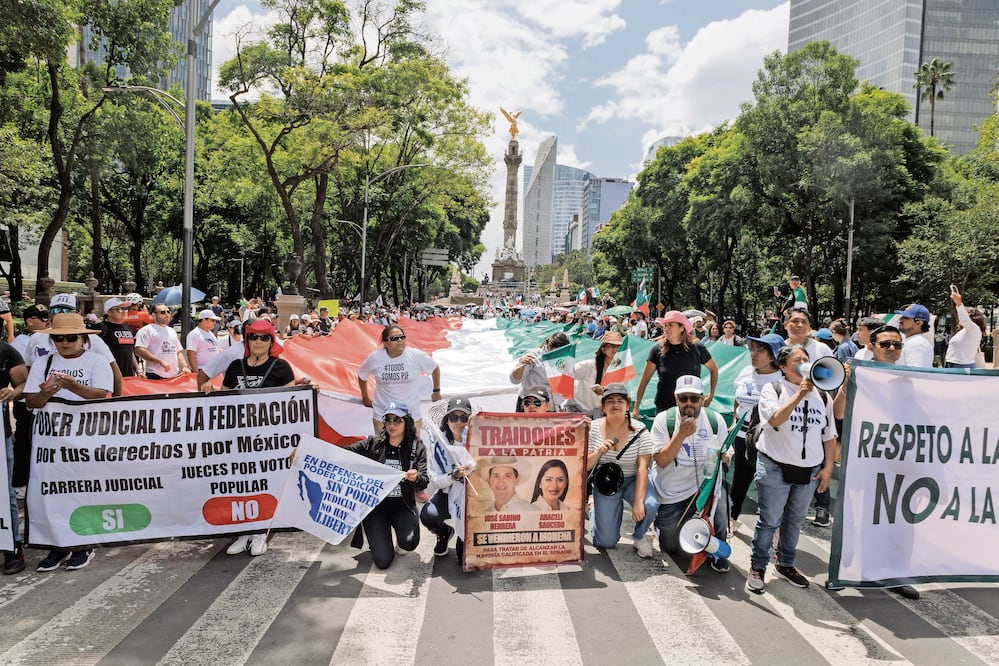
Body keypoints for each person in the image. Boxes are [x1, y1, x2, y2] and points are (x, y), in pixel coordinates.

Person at [24, 314, 114, 572]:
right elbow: (31, 401)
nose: (64, 343)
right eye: (58, 338)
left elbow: (101, 394)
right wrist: (45, 393)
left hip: (87, 437)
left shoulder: (96, 361)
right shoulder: (43, 362)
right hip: (51, 441)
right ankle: (57, 545)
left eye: (71, 337)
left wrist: (74, 387)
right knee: (54, 491)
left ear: (83, 339)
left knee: (84, 487)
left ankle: (83, 543)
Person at [745, 344, 837, 595]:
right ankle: (758, 567)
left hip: (809, 471)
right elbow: (774, 420)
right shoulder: (773, 389)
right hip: (775, 465)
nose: (803, 363)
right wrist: (799, 395)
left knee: (795, 521)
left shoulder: (823, 396)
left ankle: (785, 564)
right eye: (796, 360)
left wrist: (828, 467)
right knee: (770, 520)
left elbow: (829, 435)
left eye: (805, 359)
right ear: (783, 367)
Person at [221, 319, 295, 556]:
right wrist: (209, 394)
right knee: (241, 483)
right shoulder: (234, 367)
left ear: (272, 341)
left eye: (265, 337)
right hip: (238, 439)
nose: (259, 342)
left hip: (267, 441)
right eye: (254, 337)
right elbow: (221, 402)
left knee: (264, 484)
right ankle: (244, 531)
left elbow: (291, 405)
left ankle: (261, 532)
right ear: (247, 340)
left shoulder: (281, 368)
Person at [650, 375, 730, 572]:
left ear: (702, 399)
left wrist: (725, 456)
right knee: (671, 548)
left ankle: (717, 549)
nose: (689, 404)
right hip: (672, 495)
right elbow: (661, 460)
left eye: (694, 399)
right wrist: (681, 434)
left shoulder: (714, 420)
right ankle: (665, 527)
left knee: (721, 503)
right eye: (684, 398)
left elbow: (726, 453)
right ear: (676, 399)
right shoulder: (664, 420)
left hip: (703, 491)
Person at [348, 403, 429, 569]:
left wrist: (415, 478)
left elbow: (424, 480)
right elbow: (342, 453)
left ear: (406, 422)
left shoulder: (416, 446)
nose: (391, 425)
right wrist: (307, 451)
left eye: (397, 420)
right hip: (376, 508)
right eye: (388, 420)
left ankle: (397, 540)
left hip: (402, 506)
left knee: (409, 543)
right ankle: (379, 541)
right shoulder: (374, 443)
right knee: (383, 562)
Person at [587, 382, 657, 558]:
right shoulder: (593, 427)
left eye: (620, 400)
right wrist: (598, 452)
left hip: (633, 478)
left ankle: (639, 537)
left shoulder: (640, 429)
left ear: (627, 404)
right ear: (603, 406)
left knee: (649, 504)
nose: (615, 404)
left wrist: (638, 501)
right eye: (610, 401)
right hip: (606, 483)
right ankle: (594, 507)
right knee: (605, 542)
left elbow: (643, 468)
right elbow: (586, 465)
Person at [729, 333, 785, 534]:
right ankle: (732, 517)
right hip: (742, 437)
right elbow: (737, 397)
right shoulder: (745, 372)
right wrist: (735, 420)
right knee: (739, 479)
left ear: (773, 356)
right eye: (753, 348)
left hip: (768, 439)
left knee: (768, 484)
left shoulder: (782, 379)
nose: (754, 353)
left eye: (761, 350)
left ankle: (773, 528)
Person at [358, 324, 440, 434]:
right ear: (385, 343)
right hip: (383, 416)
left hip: (411, 416)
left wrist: (436, 391)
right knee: (382, 450)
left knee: (411, 450)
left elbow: (434, 368)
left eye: (402, 337)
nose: (400, 340)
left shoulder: (415, 355)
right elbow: (362, 376)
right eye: (394, 338)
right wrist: (365, 398)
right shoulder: (375, 357)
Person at [634, 310, 717, 415]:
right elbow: (644, 380)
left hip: (691, 408)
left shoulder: (697, 347)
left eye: (671, 325)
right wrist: (636, 407)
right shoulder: (657, 349)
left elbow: (713, 370)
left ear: (682, 328)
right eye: (665, 325)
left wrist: (711, 395)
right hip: (665, 409)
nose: (666, 328)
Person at [420, 397, 474, 559]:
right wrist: (452, 477)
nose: (458, 422)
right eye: (453, 417)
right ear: (447, 419)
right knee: (429, 515)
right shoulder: (438, 444)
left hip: (473, 497)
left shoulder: (479, 439)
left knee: (463, 559)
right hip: (448, 492)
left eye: (464, 418)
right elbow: (435, 480)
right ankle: (444, 532)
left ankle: (464, 536)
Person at [10, 304, 49, 497]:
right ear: (29, 321)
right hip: (27, 401)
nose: (46, 321)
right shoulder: (22, 341)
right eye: (41, 318)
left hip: (45, 401)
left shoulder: (50, 337)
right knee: (25, 443)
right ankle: (19, 482)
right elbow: (21, 372)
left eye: (46, 317)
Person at [1, 338, 27, 574]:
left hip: (1, 435)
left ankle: (13, 548)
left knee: (4, 492)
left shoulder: (6, 351)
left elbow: (22, 385)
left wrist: (12, 393)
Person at [509, 332, 570, 410]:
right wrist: (522, 366)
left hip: (551, 405)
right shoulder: (534, 356)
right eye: (555, 351)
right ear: (548, 344)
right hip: (530, 404)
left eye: (562, 351)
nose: (558, 354)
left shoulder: (565, 359)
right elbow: (514, 380)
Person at [573, 331, 622, 415]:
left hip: (600, 413)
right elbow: (568, 374)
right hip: (579, 410)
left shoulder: (619, 371)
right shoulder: (589, 365)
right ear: (603, 349)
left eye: (618, 347)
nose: (615, 349)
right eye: (612, 346)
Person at [135, 304, 190, 379]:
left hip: (174, 375)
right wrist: (160, 361)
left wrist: (184, 366)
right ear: (154, 315)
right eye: (163, 312)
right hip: (155, 374)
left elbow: (178, 352)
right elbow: (139, 350)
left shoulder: (172, 331)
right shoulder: (146, 330)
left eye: (168, 312)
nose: (167, 315)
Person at [97, 298, 139, 377]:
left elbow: (130, 351)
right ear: (109, 312)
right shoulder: (101, 328)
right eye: (119, 309)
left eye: (125, 309)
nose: (124, 312)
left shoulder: (125, 326)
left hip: (129, 375)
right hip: (110, 376)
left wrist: (138, 369)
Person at [945, 290, 984, 368]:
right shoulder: (967, 331)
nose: (959, 317)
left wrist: (959, 304)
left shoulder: (974, 329)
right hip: (956, 364)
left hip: (960, 366)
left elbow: (964, 319)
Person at [894, 303, 933, 367]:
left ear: (918, 323)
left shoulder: (917, 344)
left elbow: (915, 372)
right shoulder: (912, 340)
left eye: (906, 317)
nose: (900, 319)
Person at [186, 309, 222, 374]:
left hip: (212, 370)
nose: (214, 323)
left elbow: (211, 349)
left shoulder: (210, 333)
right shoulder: (195, 334)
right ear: (204, 320)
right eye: (212, 320)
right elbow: (190, 354)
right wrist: (196, 372)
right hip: (202, 371)